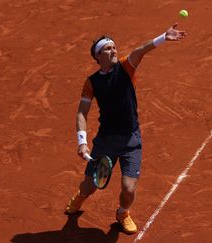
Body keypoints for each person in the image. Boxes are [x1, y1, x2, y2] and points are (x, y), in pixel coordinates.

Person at [65, 23, 187, 234]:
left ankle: (122, 212)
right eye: (108, 48)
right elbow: (81, 113)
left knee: (128, 188)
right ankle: (81, 196)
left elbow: (140, 51)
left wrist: (162, 37)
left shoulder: (126, 67)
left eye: (114, 47)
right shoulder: (91, 82)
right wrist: (82, 142)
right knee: (90, 186)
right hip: (106, 142)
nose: (114, 50)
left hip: (131, 140)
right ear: (98, 56)